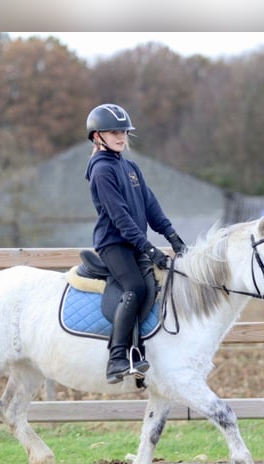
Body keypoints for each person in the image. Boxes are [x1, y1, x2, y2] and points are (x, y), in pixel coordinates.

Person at [84, 103, 186, 383]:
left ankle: (139, 352)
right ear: (97, 136)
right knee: (135, 287)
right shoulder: (101, 170)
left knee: (156, 285)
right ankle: (117, 358)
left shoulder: (129, 167)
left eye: (123, 131)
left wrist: (173, 237)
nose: (120, 136)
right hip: (114, 244)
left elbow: (150, 206)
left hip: (134, 243)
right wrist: (151, 250)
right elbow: (120, 218)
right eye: (113, 131)